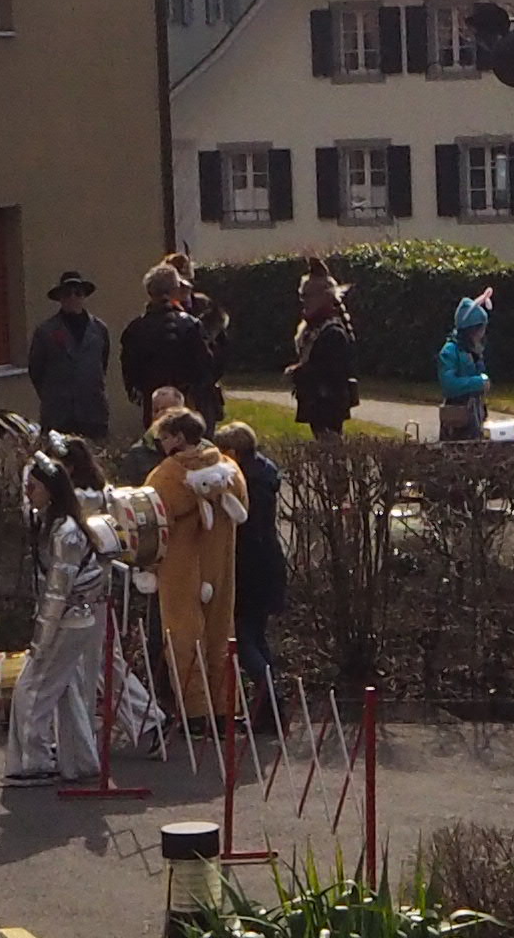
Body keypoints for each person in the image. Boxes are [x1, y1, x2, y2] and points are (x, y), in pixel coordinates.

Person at [7, 441, 124, 785]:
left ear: (51, 491)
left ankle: (34, 760)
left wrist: (40, 642)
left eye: (34, 487)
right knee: (66, 691)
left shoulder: (67, 534)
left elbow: (57, 593)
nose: (28, 493)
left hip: (68, 620)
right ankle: (80, 760)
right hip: (73, 618)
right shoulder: (53, 524)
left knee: (32, 689)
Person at [147, 408, 248, 731]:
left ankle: (196, 713)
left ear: (178, 438)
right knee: (221, 635)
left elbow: (151, 520)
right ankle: (226, 708)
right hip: (220, 565)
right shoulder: (228, 468)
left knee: (183, 638)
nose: (161, 443)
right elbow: (244, 504)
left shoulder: (167, 475)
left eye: (164, 437)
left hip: (181, 569)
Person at [221, 418, 291, 721]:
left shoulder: (244, 483)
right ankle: (268, 706)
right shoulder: (264, 473)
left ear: (233, 453)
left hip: (249, 569)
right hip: (267, 566)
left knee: (244, 637)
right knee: (257, 637)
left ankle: (270, 701)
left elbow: (245, 531)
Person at [119, 261, 225, 442]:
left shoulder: (135, 329)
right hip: (188, 402)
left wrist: (143, 395)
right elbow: (207, 366)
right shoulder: (190, 325)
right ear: (175, 290)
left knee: (156, 447)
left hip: (152, 404)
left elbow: (130, 373)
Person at [25, 271, 119, 448]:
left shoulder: (99, 329)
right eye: (67, 293)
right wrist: (54, 395)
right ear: (60, 298)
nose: (73, 298)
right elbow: (36, 370)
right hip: (59, 415)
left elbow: (102, 363)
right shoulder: (46, 331)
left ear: (84, 296)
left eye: (78, 293)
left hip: (92, 412)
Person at [289, 268, 364, 440]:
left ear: (324, 297)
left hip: (329, 402)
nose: (304, 301)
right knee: (323, 442)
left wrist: (300, 372)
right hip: (318, 401)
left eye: (308, 295)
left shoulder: (332, 332)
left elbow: (333, 372)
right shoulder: (316, 328)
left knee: (330, 443)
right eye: (302, 296)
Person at [435, 287, 496, 442]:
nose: (482, 333)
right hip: (457, 418)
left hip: (474, 415)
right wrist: (478, 383)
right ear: (470, 330)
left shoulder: (473, 351)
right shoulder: (450, 351)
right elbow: (449, 385)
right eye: (480, 329)